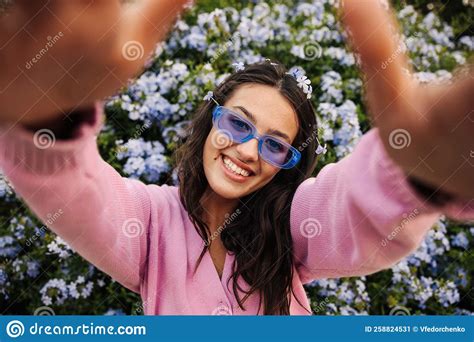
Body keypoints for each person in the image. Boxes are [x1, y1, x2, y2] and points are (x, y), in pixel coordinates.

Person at [0, 0, 472, 315]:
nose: (247, 151)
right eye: (238, 124)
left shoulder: (293, 227)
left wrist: (414, 177)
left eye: (274, 145)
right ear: (212, 121)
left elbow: (349, 209)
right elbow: (83, 196)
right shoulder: (147, 224)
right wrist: (47, 120)